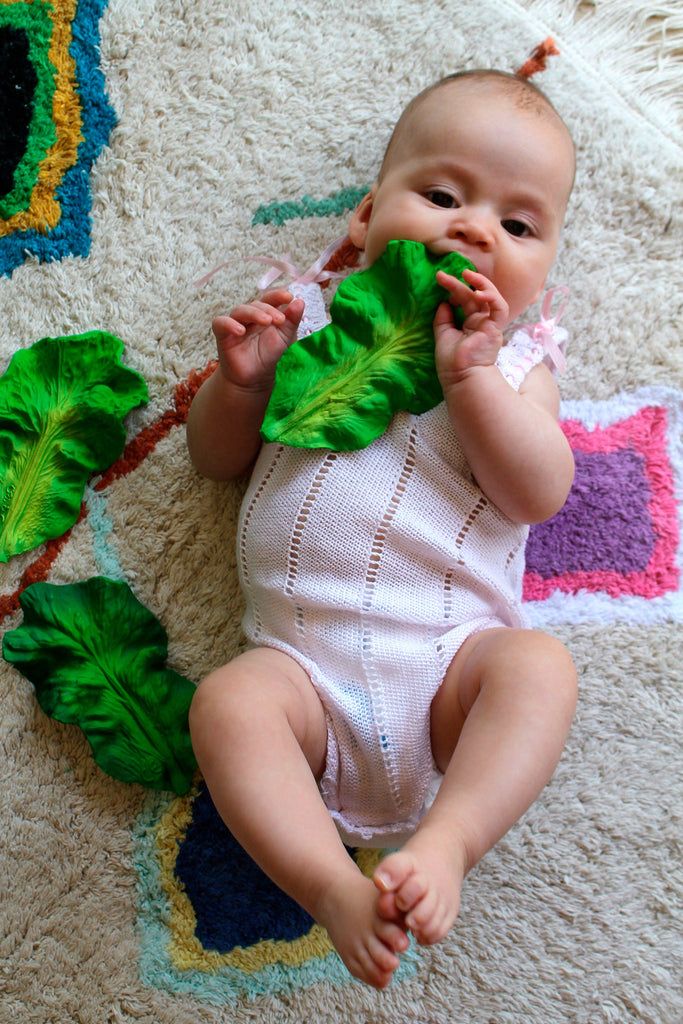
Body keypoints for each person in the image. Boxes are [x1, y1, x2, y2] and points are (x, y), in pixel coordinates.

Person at [187, 69, 579, 989]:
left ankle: (449, 841)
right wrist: (242, 386)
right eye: (441, 196)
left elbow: (537, 494)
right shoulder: (310, 324)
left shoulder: (516, 366)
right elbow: (213, 462)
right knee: (226, 705)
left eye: (518, 226)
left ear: (542, 272)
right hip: (300, 677)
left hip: (450, 674)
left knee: (539, 669)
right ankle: (331, 886)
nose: (475, 229)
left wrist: (471, 379)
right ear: (364, 219)